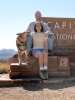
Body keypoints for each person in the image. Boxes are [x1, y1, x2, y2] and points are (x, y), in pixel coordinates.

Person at [26, 10, 53, 79]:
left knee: (47, 39)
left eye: (39, 15)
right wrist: (30, 33)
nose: (38, 16)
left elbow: (50, 32)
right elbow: (26, 32)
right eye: (37, 15)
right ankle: (29, 52)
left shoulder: (44, 24)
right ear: (35, 16)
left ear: (41, 16)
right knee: (29, 37)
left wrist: (47, 33)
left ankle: (45, 69)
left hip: (43, 45)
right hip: (35, 46)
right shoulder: (31, 24)